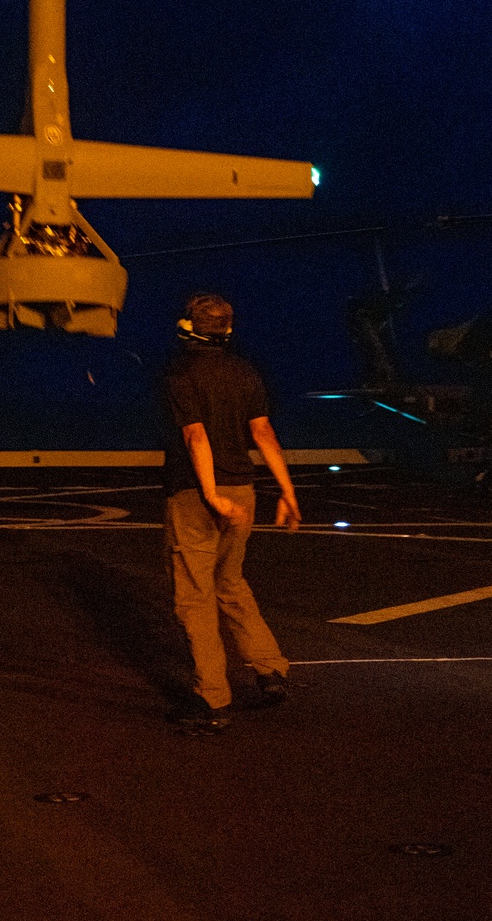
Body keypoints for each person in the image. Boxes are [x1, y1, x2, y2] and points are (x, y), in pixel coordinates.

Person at [162, 292, 301, 731]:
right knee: (232, 582)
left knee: (195, 598)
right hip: (244, 490)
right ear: (227, 330)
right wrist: (288, 492)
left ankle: (213, 700)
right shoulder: (245, 372)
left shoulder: (180, 374)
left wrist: (209, 493)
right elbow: (263, 433)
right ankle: (269, 668)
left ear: (188, 327)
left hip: (195, 495)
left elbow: (195, 439)